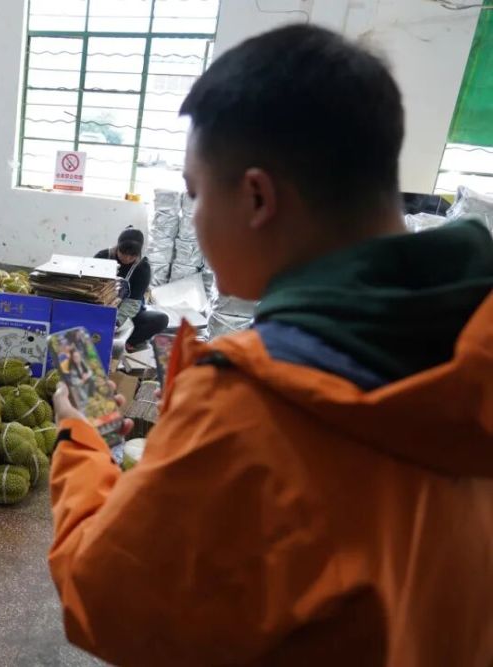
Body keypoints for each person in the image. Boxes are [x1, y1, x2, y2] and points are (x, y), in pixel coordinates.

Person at [49, 24, 493, 667]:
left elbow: (103, 599)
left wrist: (82, 439)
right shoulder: (470, 353)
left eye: (197, 193)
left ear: (256, 197)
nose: (194, 217)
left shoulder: (246, 411)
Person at [95, 227, 169, 352]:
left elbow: (133, 304)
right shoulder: (103, 257)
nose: (127, 258)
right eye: (123, 253)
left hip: (127, 315)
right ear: (118, 247)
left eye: (132, 255)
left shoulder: (142, 268)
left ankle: (127, 341)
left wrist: (116, 322)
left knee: (161, 319)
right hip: (100, 309)